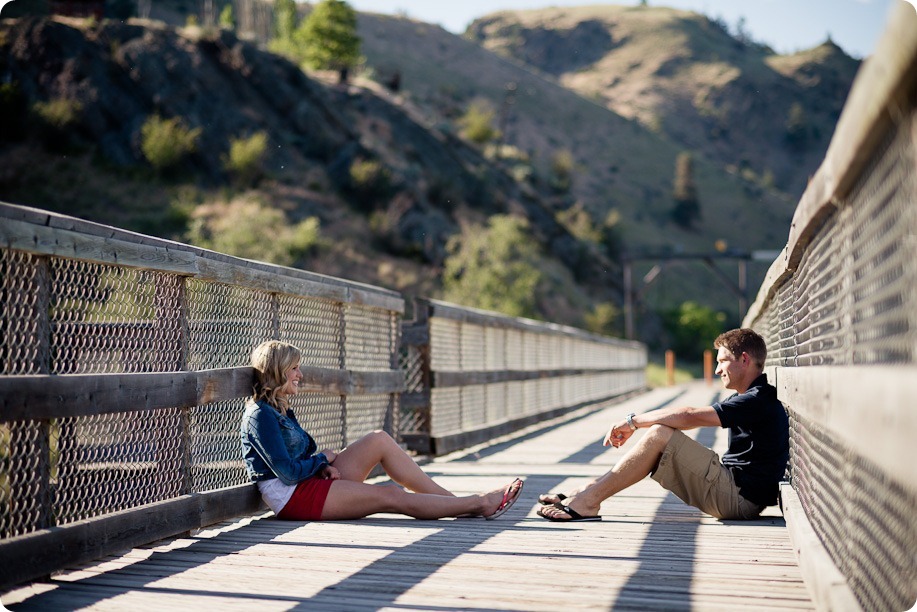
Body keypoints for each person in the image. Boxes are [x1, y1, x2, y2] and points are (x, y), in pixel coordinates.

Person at [240, 339, 524, 521]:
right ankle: (479, 503)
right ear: (278, 371)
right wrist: (323, 460)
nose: (300, 375)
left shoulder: (281, 408)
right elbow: (287, 474)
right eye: (294, 369)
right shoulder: (260, 415)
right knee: (390, 494)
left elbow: (298, 461)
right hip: (291, 497)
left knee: (379, 439)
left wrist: (320, 467)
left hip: (307, 482)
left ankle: (456, 504)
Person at [537, 328, 788, 522]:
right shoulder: (752, 397)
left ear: (744, 360)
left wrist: (632, 422)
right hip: (735, 492)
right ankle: (588, 491)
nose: (717, 369)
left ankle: (588, 500)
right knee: (660, 438)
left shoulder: (757, 400)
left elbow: (689, 416)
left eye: (722, 361)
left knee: (659, 434)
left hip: (739, 500)